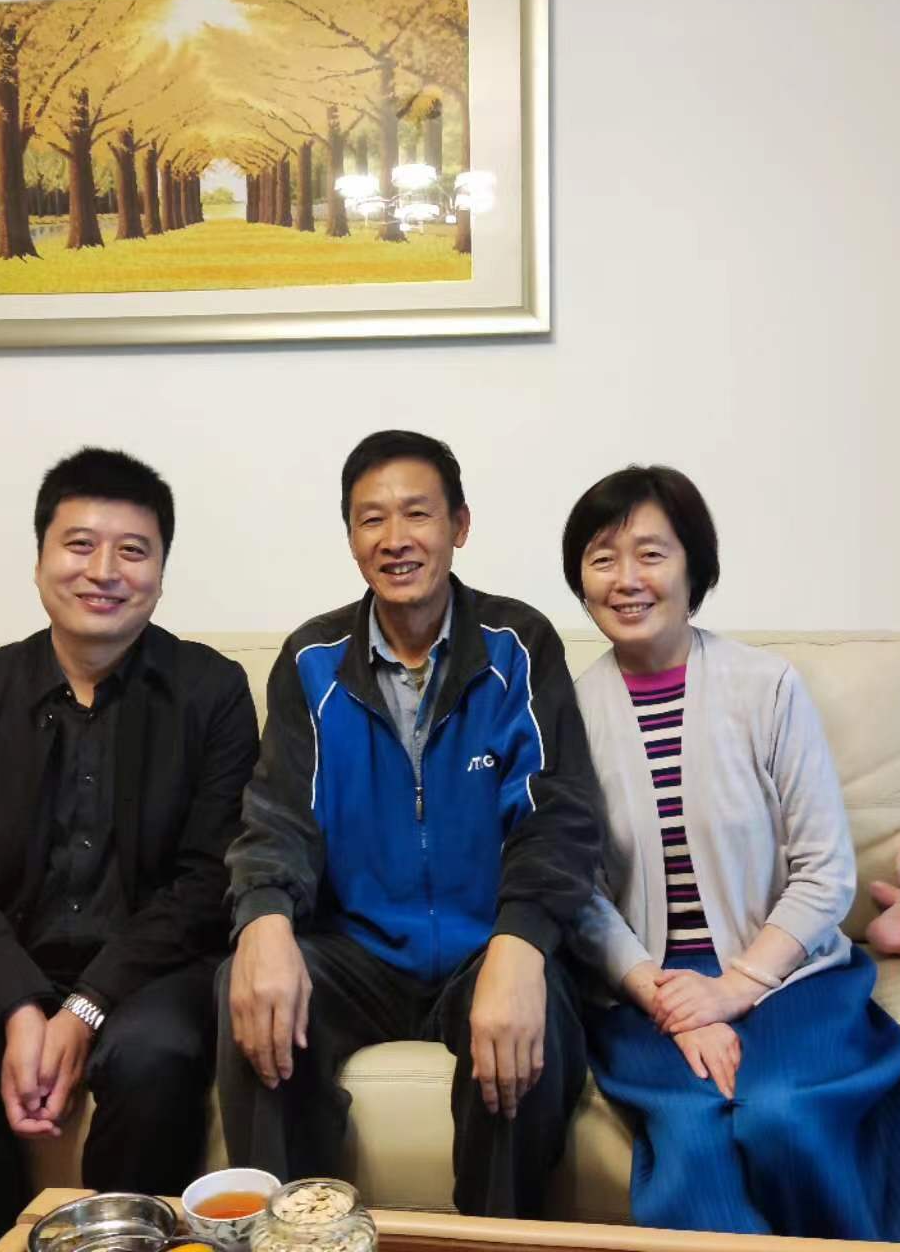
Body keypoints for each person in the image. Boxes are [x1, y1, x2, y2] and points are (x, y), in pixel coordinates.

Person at [0, 448, 260, 1252]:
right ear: (39, 560)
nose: (103, 571)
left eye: (132, 550)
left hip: (151, 967)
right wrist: (20, 1006)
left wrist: (86, 1005)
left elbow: (209, 879)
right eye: (79, 545)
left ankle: (123, 1241)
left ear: (161, 574)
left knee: (155, 1058)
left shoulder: (212, 691)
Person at [218, 429, 602, 1217]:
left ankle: (495, 1238)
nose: (395, 538)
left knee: (537, 1015)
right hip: (357, 950)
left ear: (459, 525)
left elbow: (557, 816)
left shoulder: (518, 646)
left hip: (484, 944)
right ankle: (293, 1233)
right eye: (372, 519)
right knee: (245, 986)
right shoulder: (311, 660)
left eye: (417, 514)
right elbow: (278, 815)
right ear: (351, 538)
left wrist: (521, 943)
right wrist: (262, 921)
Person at [561, 465, 900, 1240]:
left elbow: (825, 870)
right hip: (645, 984)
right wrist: (667, 999)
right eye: (602, 559)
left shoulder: (766, 687)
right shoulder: (568, 713)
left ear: (694, 567)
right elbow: (577, 891)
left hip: (784, 969)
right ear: (581, 581)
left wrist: (736, 987)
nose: (626, 580)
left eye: (651, 554)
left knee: (783, 1113)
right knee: (693, 1138)